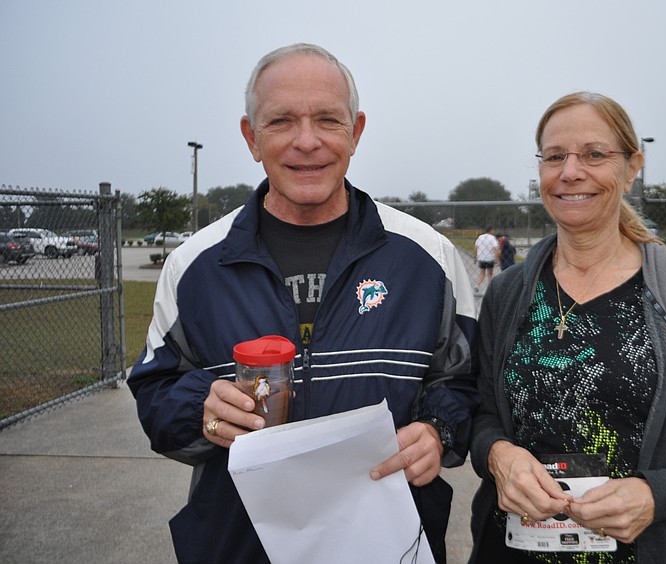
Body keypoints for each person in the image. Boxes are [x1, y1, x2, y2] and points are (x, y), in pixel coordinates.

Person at [127, 43, 478, 564]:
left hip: (390, 545)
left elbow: (463, 381)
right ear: (251, 137)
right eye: (282, 121)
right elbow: (155, 393)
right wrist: (200, 407)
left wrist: (437, 430)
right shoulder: (192, 267)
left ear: (355, 132)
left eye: (327, 120)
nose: (306, 141)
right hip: (238, 546)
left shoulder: (429, 258)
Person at [468, 92, 666, 563]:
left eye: (594, 154)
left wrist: (658, 495)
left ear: (632, 168)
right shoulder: (509, 293)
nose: (570, 172)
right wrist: (497, 455)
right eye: (555, 157)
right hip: (512, 551)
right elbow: (483, 413)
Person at [474, 226, 500, 291]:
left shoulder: (480, 237)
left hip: (481, 258)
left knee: (482, 274)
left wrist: (475, 257)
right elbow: (495, 248)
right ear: (491, 230)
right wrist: (497, 259)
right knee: (490, 274)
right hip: (489, 259)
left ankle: (477, 285)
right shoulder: (492, 238)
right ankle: (491, 287)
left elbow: (476, 247)